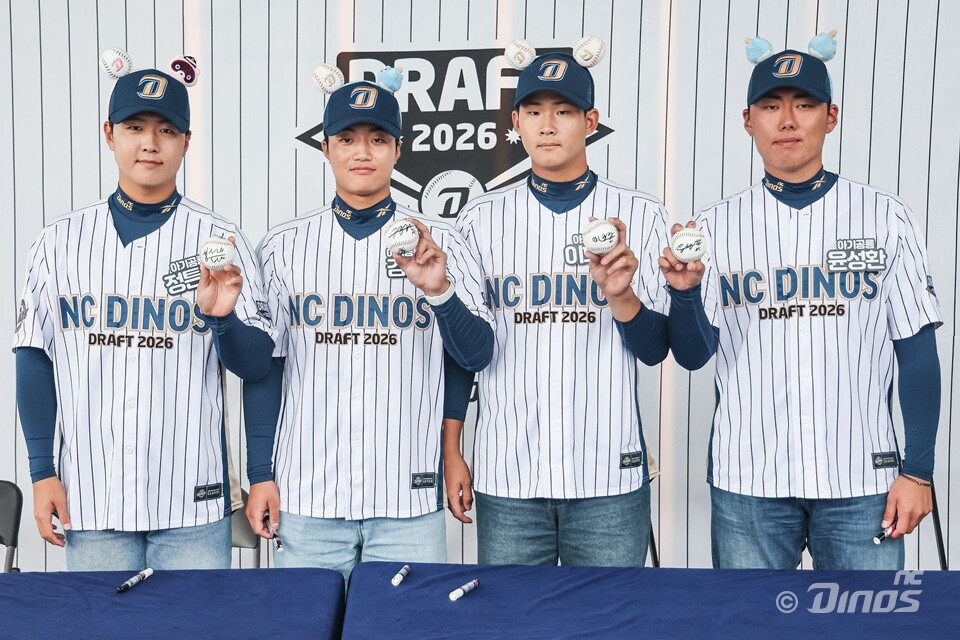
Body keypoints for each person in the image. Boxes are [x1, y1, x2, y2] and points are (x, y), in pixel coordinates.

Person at [448, 41, 716, 566]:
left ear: (590, 121)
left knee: (610, 613)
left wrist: (621, 297)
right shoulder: (479, 218)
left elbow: (659, 350)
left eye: (564, 111)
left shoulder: (639, 211)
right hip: (509, 474)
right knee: (512, 614)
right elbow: (464, 351)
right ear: (516, 123)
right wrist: (452, 448)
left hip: (608, 475)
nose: (547, 125)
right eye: (534, 111)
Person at [692, 34, 942, 569]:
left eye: (804, 105)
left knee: (864, 616)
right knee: (751, 617)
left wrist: (918, 471)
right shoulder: (711, 228)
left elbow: (918, 351)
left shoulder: (884, 216)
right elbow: (692, 353)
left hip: (862, 480)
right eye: (771, 106)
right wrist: (683, 293)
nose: (787, 120)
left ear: (831, 117)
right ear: (747, 120)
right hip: (748, 480)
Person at [14, 61, 276, 571]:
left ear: (186, 141)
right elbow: (34, 357)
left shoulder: (221, 241)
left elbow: (257, 365)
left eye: (166, 130)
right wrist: (42, 471)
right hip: (92, 496)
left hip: (193, 500)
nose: (150, 143)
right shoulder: (60, 241)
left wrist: (223, 320)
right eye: (135, 127)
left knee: (195, 618)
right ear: (109, 134)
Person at [242, 70, 494, 582]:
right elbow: (266, 369)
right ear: (326, 148)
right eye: (348, 139)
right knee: (306, 621)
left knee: (405, 623)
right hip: (306, 496)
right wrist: (260, 474)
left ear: (398, 150)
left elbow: (474, 356)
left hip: (408, 498)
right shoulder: (283, 246)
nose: (363, 152)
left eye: (378, 139)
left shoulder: (442, 239)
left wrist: (440, 293)